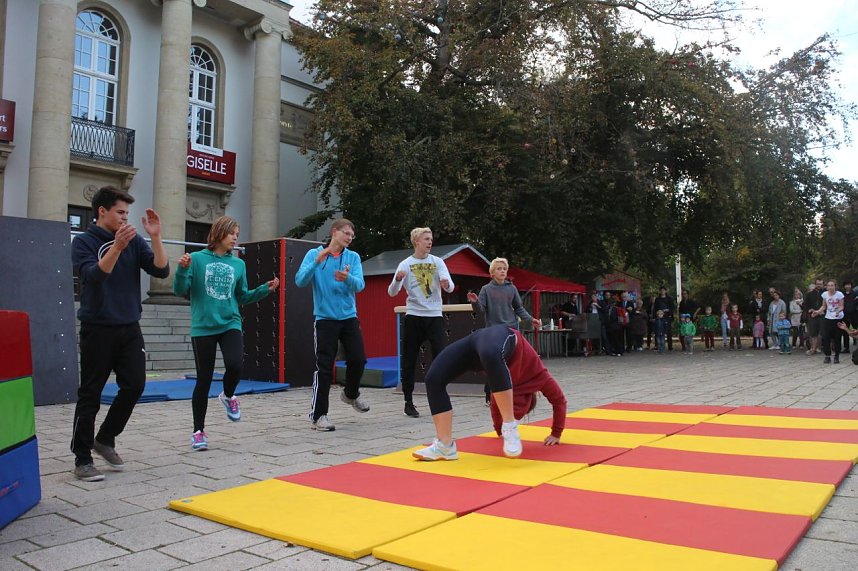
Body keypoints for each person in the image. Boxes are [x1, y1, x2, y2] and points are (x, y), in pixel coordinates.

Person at [70, 186, 169, 482]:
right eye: (120, 212)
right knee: (91, 393)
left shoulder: (135, 240)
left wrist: (155, 236)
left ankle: (105, 438)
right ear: (102, 211)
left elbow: (161, 272)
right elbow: (94, 277)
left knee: (135, 385)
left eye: (128, 213)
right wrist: (116, 248)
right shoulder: (84, 242)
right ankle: (83, 457)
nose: (126, 218)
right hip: (97, 327)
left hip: (129, 326)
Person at [173, 216, 279, 451]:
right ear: (219, 233)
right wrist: (181, 270)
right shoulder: (197, 259)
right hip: (203, 326)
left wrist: (264, 289)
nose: (235, 239)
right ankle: (198, 432)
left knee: (235, 364)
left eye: (237, 235)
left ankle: (228, 395)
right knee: (204, 379)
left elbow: (241, 296)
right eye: (232, 234)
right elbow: (180, 290)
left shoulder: (238, 265)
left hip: (230, 322)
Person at [411, 325, 567, 461]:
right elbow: (560, 401)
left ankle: (446, 447)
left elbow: (494, 405)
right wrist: (556, 433)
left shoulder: (499, 389)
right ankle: (509, 427)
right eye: (516, 408)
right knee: (434, 378)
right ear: (528, 399)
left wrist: (499, 431)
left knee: (434, 379)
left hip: (482, 354)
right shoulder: (539, 376)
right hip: (502, 337)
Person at [295, 218, 370, 432]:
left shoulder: (353, 257)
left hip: (348, 317)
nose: (349, 238)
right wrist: (317, 261)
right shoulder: (314, 255)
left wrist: (347, 278)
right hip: (325, 319)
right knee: (325, 367)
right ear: (334, 232)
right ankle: (319, 416)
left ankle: (351, 394)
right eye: (346, 233)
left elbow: (360, 285)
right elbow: (300, 281)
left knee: (358, 359)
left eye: (352, 235)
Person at [387, 227, 454, 418]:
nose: (430, 242)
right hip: (414, 316)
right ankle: (408, 401)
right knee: (409, 359)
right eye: (426, 239)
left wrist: (445, 284)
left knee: (440, 358)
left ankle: (440, 397)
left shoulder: (438, 262)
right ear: (416, 241)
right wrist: (398, 280)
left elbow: (450, 287)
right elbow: (392, 292)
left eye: (431, 239)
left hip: (434, 316)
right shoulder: (405, 264)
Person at [468, 257, 541, 402]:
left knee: (513, 361)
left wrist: (530, 319)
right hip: (494, 331)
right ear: (492, 273)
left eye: (504, 269)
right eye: (499, 269)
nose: (502, 271)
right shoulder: (486, 289)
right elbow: (481, 310)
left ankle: (512, 393)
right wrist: (475, 302)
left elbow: (519, 308)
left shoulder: (511, 288)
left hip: (511, 329)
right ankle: (490, 395)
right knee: (494, 363)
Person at [811, 279, 844, 364]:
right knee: (826, 338)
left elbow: (841, 306)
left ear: (835, 286)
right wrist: (817, 312)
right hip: (828, 318)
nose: (830, 287)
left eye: (832, 285)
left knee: (837, 338)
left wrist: (838, 311)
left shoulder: (839, 294)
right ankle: (827, 356)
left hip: (837, 318)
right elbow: (823, 306)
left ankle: (836, 356)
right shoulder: (825, 294)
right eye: (828, 285)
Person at [652, 286, 675, 351]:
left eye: (663, 290)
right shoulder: (657, 299)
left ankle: (670, 346)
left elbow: (672, 308)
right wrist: (654, 317)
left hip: (667, 317)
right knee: (658, 330)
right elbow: (655, 308)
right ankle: (657, 346)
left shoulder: (670, 299)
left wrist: (669, 312)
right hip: (659, 316)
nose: (662, 291)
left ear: (666, 291)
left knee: (668, 331)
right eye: (661, 290)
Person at [804, 279, 824, 355]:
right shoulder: (810, 294)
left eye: (820, 284)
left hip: (823, 315)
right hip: (813, 316)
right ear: (815, 284)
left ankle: (830, 350)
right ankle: (813, 349)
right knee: (813, 333)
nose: (819, 285)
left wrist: (822, 311)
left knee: (826, 333)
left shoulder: (826, 293)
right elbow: (805, 304)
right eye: (817, 284)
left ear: (823, 284)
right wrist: (810, 309)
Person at [841, 280, 855, 353]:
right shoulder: (842, 294)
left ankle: (855, 341)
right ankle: (846, 347)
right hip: (845, 314)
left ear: (851, 285)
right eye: (846, 285)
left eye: (849, 284)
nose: (847, 286)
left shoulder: (855, 293)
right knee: (845, 331)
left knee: (855, 329)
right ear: (844, 286)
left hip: (854, 314)